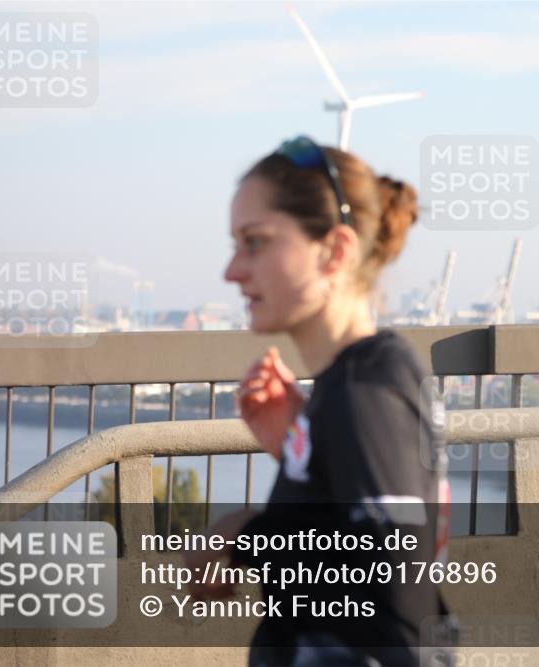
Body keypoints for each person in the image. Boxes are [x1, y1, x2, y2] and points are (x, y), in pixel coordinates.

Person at [184, 136, 451, 666]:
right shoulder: (359, 379)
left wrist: (242, 536)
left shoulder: (364, 393)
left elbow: (393, 585)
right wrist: (301, 452)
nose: (232, 270)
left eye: (255, 242)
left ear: (335, 251)